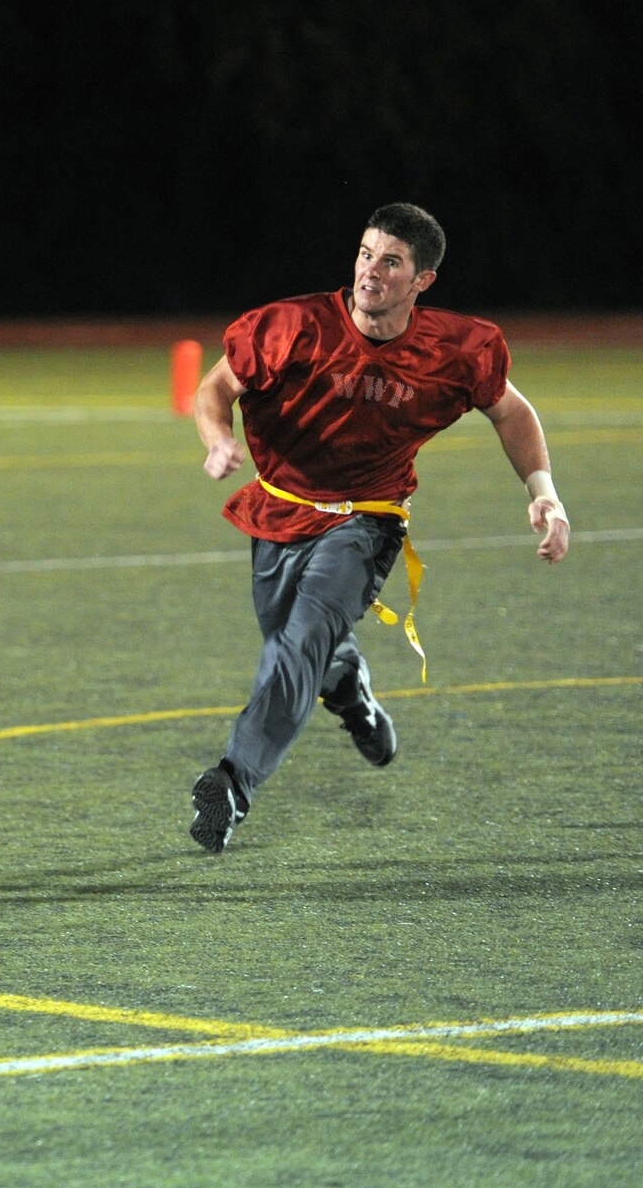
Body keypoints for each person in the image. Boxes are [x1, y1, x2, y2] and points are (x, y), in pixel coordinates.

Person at [188, 202, 570, 852]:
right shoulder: (293, 326)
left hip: (365, 524)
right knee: (307, 649)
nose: (371, 271)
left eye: (391, 262)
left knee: (297, 645)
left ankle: (234, 781)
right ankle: (353, 691)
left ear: (423, 280)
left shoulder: (455, 350)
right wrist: (218, 440)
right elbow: (215, 388)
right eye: (366, 253)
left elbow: (512, 412)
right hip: (280, 509)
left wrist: (545, 495)